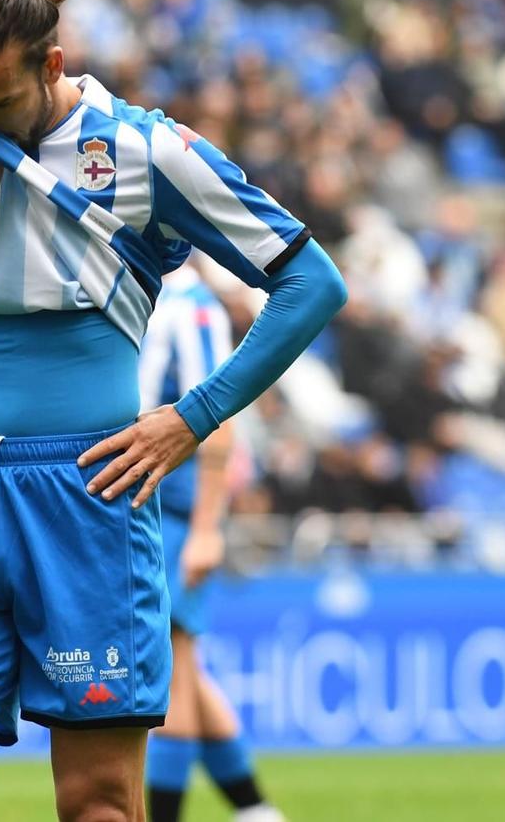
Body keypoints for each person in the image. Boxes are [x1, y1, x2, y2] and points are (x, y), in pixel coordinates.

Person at [0, 0, 346, 822]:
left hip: (88, 496)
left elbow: (311, 281)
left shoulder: (144, 150)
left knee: (101, 806)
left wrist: (194, 416)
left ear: (51, 63)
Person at [138, 261, 284, 822]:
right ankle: (255, 811)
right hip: (148, 510)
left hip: (176, 515)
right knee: (186, 674)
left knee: (173, 666)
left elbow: (218, 422)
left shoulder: (191, 306)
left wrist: (203, 530)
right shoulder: (137, 289)